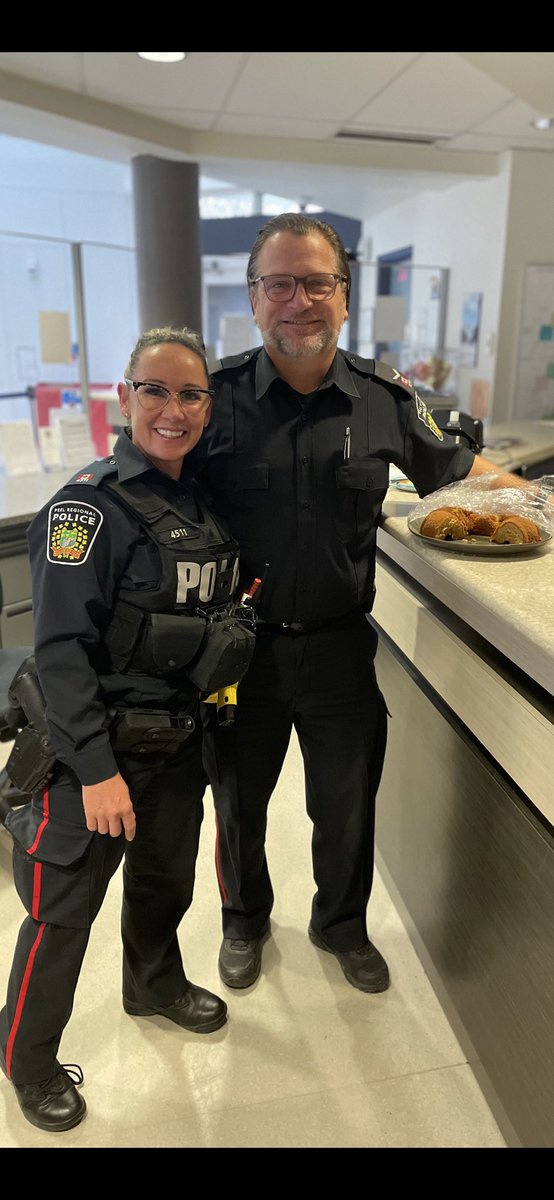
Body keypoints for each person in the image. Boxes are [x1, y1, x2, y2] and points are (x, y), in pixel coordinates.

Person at [196, 212, 522, 997]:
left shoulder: (383, 400)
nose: (298, 300)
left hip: (343, 646)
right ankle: (244, 919)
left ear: (344, 297)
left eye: (317, 282)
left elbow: (468, 474)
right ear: (254, 297)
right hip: (240, 651)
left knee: (345, 804)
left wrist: (534, 503)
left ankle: (340, 924)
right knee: (238, 800)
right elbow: (146, 488)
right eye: (279, 283)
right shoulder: (218, 398)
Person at [0, 326, 255, 1134]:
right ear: (125, 395)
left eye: (189, 394)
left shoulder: (204, 499)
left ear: (207, 406)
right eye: (155, 390)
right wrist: (99, 770)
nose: (171, 409)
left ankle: (153, 984)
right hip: (92, 758)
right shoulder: (86, 509)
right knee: (62, 916)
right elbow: (62, 655)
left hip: (179, 743)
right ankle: (28, 1061)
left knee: (163, 884)